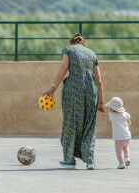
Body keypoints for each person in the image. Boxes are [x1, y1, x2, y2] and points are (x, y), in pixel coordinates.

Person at [44, 33, 105, 170]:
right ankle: (90, 160)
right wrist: (101, 102)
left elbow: (64, 67)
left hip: (73, 91)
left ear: (71, 43)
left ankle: (69, 158)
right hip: (91, 92)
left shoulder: (68, 49)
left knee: (71, 123)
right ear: (83, 44)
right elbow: (99, 80)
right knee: (89, 125)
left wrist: (53, 87)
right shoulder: (92, 53)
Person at [105, 97, 132, 169]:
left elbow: (105, 115)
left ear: (112, 108)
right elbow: (129, 122)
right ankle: (127, 158)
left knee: (118, 151)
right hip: (127, 136)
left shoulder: (111, 115)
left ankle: (121, 163)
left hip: (118, 137)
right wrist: (127, 129)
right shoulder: (126, 114)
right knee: (126, 147)